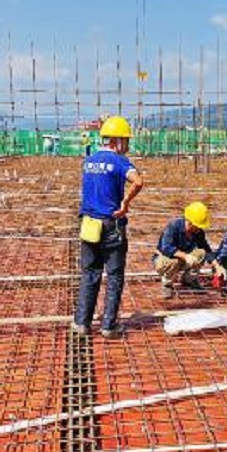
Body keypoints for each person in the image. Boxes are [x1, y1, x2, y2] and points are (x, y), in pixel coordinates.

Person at [72, 116, 143, 339]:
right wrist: (125, 203)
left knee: (89, 273)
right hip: (111, 225)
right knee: (114, 276)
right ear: (117, 140)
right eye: (125, 140)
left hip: (88, 224)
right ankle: (108, 326)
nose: (127, 145)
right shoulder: (120, 162)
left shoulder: (89, 160)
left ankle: (81, 323)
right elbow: (138, 181)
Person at [153, 201, 226, 299]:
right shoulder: (173, 226)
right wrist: (185, 256)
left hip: (184, 259)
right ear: (190, 222)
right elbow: (166, 248)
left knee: (201, 253)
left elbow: (206, 249)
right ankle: (167, 285)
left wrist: (217, 266)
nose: (200, 228)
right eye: (198, 225)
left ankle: (189, 280)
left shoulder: (198, 231)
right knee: (174, 261)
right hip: (165, 259)